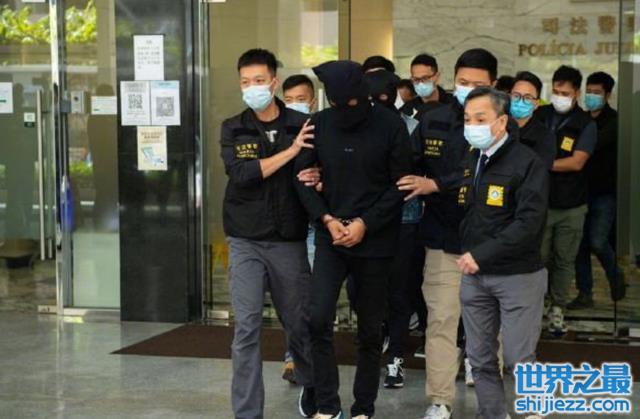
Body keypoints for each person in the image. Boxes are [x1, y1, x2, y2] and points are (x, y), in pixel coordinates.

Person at [294, 60, 413, 419]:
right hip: (331, 235)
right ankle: (327, 406)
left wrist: (365, 223)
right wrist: (327, 219)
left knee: (370, 328)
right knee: (318, 318)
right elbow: (302, 180)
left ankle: (364, 407)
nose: (346, 111)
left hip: (375, 240)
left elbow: (401, 184)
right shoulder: (318, 124)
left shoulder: (390, 125)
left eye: (353, 103)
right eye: (338, 104)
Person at [397, 48, 498, 419]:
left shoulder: (503, 126)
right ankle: (439, 400)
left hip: (490, 243)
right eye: (463, 82)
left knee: (488, 326)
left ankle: (490, 399)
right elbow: (407, 163)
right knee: (440, 321)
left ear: (494, 85)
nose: (468, 89)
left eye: (478, 84)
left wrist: (437, 184)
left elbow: (488, 172)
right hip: (443, 238)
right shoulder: (433, 119)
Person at [220, 48, 316, 419]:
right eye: (245, 82)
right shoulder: (234, 127)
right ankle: (247, 413)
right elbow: (242, 174)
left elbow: (316, 168)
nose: (252, 88)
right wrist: (291, 153)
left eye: (259, 80)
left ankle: (311, 384)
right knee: (246, 328)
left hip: (287, 240)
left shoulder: (302, 124)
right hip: (245, 238)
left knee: (299, 324)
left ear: (274, 82)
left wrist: (317, 175)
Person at [457, 87, 549, 419]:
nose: (472, 126)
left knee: (518, 358)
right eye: (467, 119)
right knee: (479, 357)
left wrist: (481, 254)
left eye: (480, 118)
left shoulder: (527, 163)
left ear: (501, 121)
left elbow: (528, 223)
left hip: (518, 276)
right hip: (474, 276)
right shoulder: (473, 158)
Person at [363, 69, 422, 389]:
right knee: (362, 291)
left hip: (403, 220)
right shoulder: (356, 125)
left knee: (399, 291)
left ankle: (396, 358)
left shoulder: (412, 127)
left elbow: (417, 172)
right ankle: (376, 343)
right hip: (364, 221)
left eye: (384, 97)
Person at [536, 65, 597, 336]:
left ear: (576, 93)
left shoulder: (585, 123)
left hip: (571, 205)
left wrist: (541, 164)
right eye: (556, 91)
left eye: (565, 93)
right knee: (538, 258)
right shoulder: (540, 115)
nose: (559, 97)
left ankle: (558, 308)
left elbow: (576, 162)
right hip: (540, 202)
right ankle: (536, 304)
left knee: (564, 259)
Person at [571, 71, 626, 309]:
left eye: (597, 93)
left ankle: (615, 274)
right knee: (580, 245)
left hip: (604, 193)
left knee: (597, 240)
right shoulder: (581, 119)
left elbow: (591, 144)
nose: (591, 96)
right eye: (589, 91)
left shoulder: (615, 121)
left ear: (608, 95)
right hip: (580, 191)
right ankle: (585, 293)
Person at [280, 74, 318, 385]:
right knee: (292, 297)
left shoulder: (323, 130)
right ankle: (293, 356)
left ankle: (310, 355)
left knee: (311, 297)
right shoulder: (279, 133)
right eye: (289, 100)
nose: (295, 105)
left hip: (316, 223)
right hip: (289, 225)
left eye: (301, 99)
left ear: (313, 101)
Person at [509, 71, 556, 169]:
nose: (520, 101)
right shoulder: (497, 127)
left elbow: (539, 171)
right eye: (516, 96)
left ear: (536, 104)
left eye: (527, 98)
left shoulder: (545, 137)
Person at [400, 53, 452, 121]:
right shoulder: (407, 110)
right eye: (416, 79)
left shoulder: (454, 105)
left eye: (425, 78)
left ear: (437, 77)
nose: (420, 84)